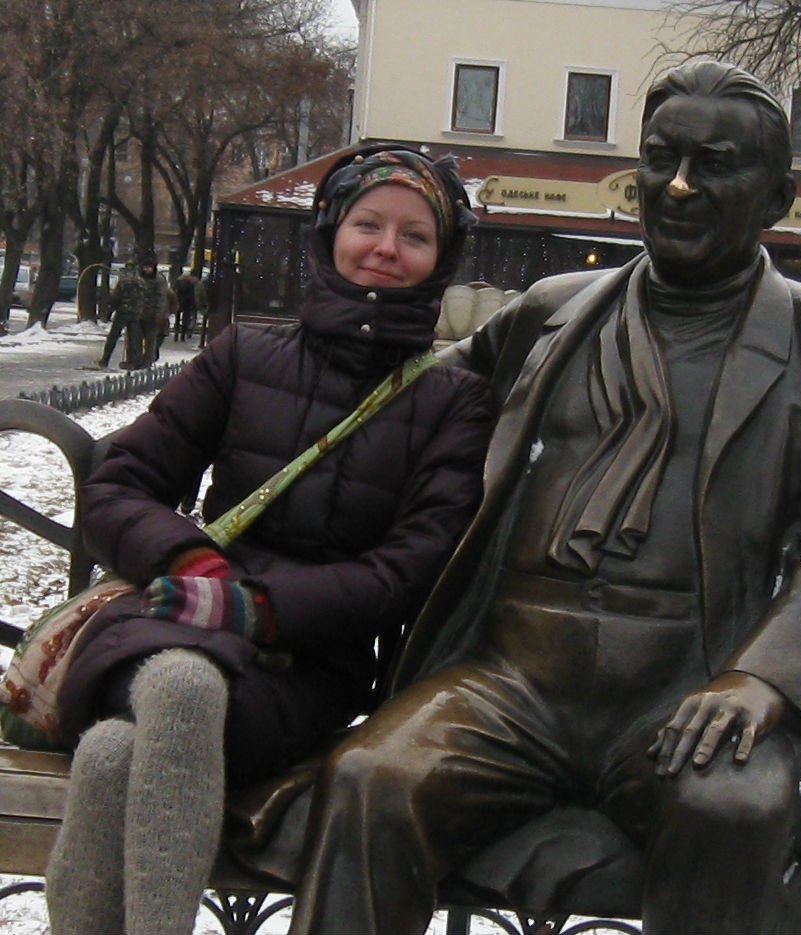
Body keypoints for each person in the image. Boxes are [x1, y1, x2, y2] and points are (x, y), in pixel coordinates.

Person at [291, 62, 801, 935]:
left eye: (714, 165)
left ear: (776, 198)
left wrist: (762, 677)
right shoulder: (548, 314)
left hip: (686, 688)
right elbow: (399, 415)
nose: (679, 185)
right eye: (661, 158)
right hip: (510, 682)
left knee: (736, 805)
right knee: (371, 777)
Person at [44, 144, 494, 935]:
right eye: (368, 224)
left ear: (442, 259)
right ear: (331, 230)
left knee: (116, 751)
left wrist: (259, 608)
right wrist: (189, 561)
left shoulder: (453, 400)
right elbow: (119, 488)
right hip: (172, 616)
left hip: (307, 666)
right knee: (176, 686)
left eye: (415, 236)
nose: (387, 248)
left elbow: (406, 570)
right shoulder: (243, 352)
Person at [94, 261, 144, 370]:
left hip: (122, 312)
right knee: (133, 338)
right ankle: (132, 362)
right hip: (136, 313)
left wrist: (110, 312)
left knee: (113, 337)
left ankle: (105, 360)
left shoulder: (123, 282)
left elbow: (116, 298)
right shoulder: (141, 282)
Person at [135, 252, 171, 367]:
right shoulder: (138, 278)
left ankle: (148, 361)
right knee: (136, 339)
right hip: (138, 313)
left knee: (150, 340)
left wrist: (159, 315)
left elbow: (161, 299)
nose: (147, 270)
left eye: (149, 267)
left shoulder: (159, 280)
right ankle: (137, 360)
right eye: (145, 267)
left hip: (152, 315)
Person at [172, 269, 208, 340]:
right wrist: (200, 302)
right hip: (188, 302)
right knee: (187, 318)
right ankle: (184, 334)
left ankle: (176, 334)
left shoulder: (179, 280)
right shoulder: (195, 282)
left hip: (178, 301)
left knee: (177, 318)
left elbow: (173, 290)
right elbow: (199, 293)